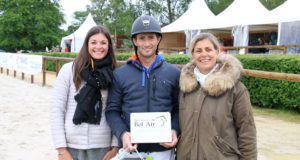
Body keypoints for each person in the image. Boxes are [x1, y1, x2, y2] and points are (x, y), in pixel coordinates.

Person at [105, 15, 180, 159]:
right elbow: (112, 111)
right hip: (131, 151)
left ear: (158, 39)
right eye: (142, 38)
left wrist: (175, 129)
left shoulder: (174, 73)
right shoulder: (120, 74)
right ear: (135, 40)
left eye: (151, 37)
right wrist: (122, 134)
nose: (147, 43)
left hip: (163, 151)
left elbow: (179, 109)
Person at [177, 33, 257, 160]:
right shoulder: (184, 87)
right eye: (198, 51)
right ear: (193, 54)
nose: (204, 54)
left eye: (208, 49)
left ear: (217, 52)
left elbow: (246, 130)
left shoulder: (235, 89)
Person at [50, 25, 119, 160]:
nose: (98, 47)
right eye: (93, 42)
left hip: (102, 146)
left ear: (109, 46)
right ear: (87, 44)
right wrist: (61, 149)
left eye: (103, 43)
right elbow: (57, 110)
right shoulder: (69, 70)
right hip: (72, 146)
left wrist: (115, 147)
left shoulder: (114, 74)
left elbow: (118, 110)